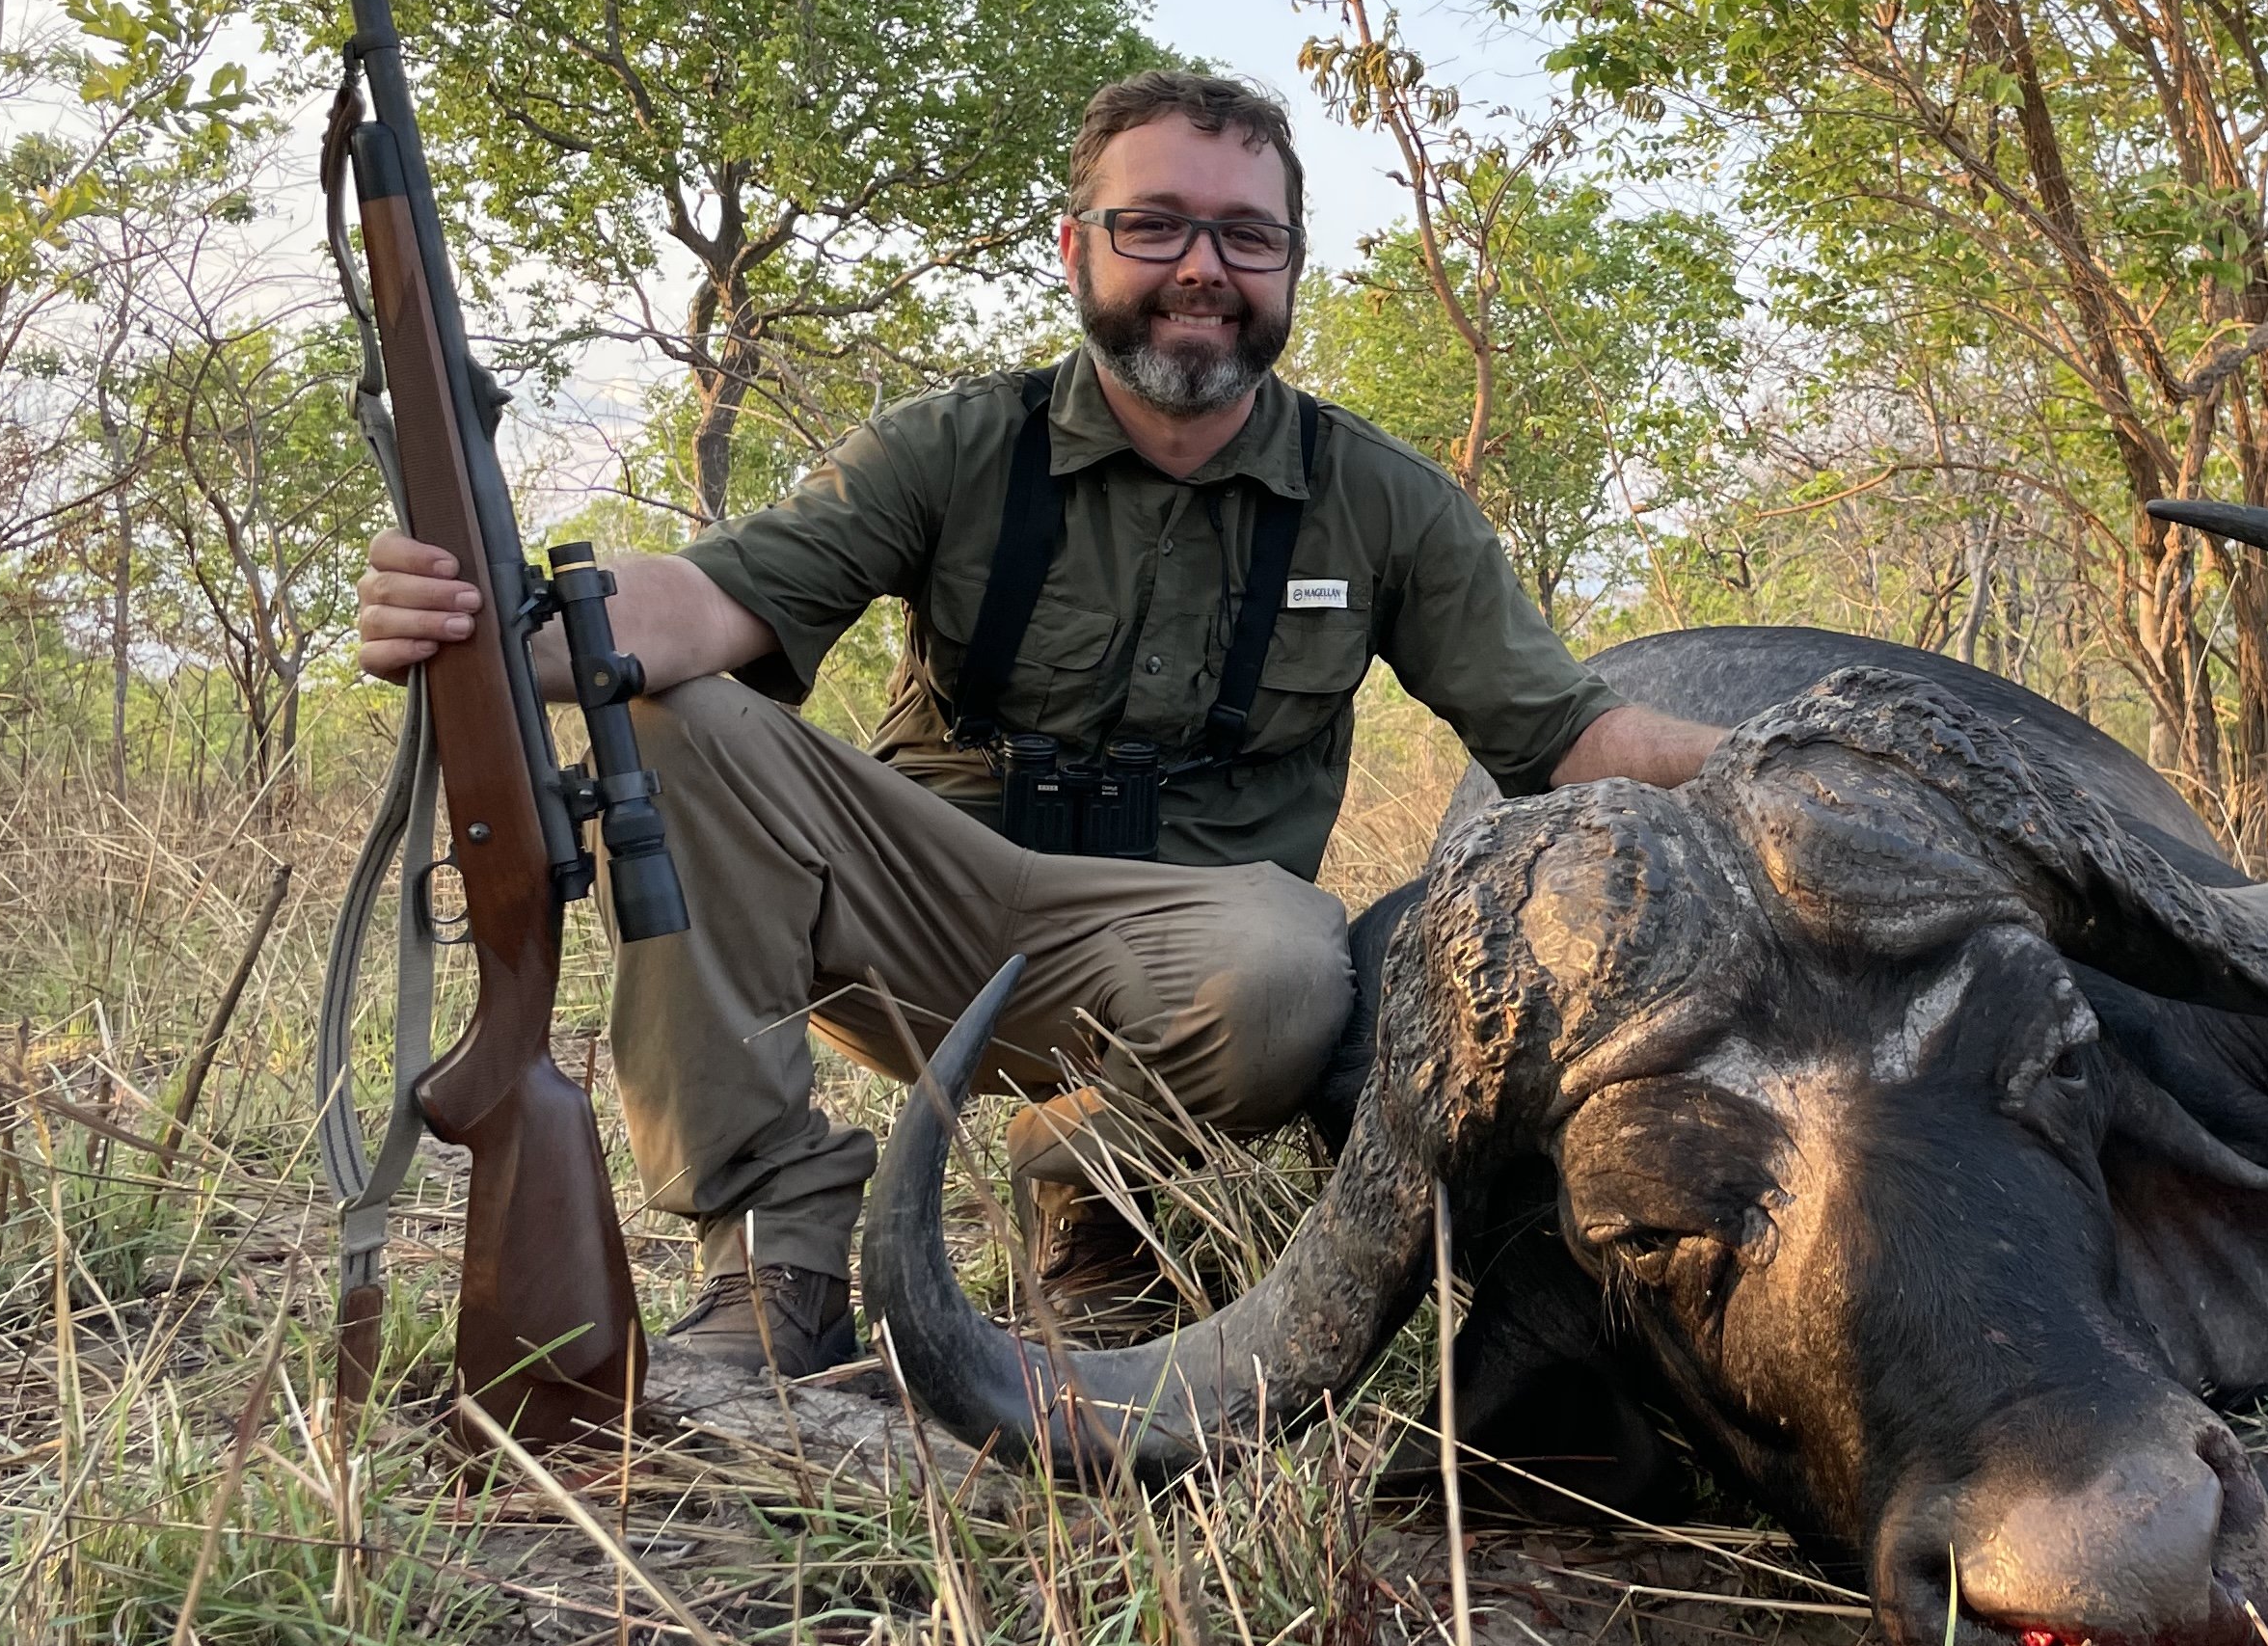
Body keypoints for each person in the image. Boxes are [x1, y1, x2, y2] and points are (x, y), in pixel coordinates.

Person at [355, 69, 1721, 1380]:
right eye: (1154, 225)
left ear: (1292, 267)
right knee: (673, 712)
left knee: (1293, 971)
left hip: (1173, 962)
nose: (1202, 267)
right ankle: (774, 1252)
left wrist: (1781, 757)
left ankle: (1089, 1201)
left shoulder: (1385, 501)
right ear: (1078, 249)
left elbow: (1566, 737)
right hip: (920, 921)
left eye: (1246, 235)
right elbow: (704, 607)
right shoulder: (949, 448)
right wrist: (489, 627)